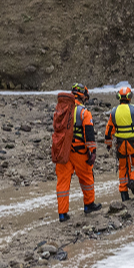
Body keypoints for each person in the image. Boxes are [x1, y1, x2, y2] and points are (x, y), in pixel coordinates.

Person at [55, 83, 102, 222]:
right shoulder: (83, 112)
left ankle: (62, 214)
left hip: (63, 152)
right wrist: (92, 151)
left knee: (63, 183)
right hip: (79, 152)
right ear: (83, 96)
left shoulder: (61, 110)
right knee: (87, 179)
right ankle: (89, 205)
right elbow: (89, 134)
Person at [104, 85, 134, 201]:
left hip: (120, 146)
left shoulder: (114, 112)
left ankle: (124, 196)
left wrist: (109, 145)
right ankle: (133, 181)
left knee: (123, 169)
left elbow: (109, 131)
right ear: (130, 98)